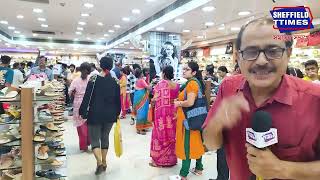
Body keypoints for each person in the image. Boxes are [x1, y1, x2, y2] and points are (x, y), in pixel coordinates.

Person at [203, 17, 320, 180]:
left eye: (273, 51)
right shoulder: (228, 88)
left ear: (289, 53)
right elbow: (210, 144)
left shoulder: (315, 99)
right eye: (251, 52)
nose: (261, 61)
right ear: (238, 56)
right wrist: (216, 124)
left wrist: (282, 169)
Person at [79, 56, 121, 175]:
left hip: (95, 113)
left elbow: (87, 96)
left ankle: (99, 162)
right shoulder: (115, 81)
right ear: (111, 65)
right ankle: (104, 160)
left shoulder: (93, 79)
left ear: (100, 65)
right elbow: (118, 100)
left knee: (94, 139)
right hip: (110, 114)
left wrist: (82, 111)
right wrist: (117, 113)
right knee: (105, 136)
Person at [170, 61, 206, 180]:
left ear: (194, 72)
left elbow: (190, 102)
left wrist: (178, 103)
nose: (184, 71)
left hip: (188, 121)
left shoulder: (191, 84)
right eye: (183, 69)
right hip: (195, 119)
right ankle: (199, 168)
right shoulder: (195, 83)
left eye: (187, 69)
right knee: (196, 142)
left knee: (187, 145)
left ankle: (183, 174)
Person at [150, 65, 179, 167]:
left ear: (164, 73)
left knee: (159, 134)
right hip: (173, 112)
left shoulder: (160, 84)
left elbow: (154, 98)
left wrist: (152, 103)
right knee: (171, 134)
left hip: (161, 113)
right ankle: (171, 160)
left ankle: (159, 160)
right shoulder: (176, 85)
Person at [69, 62, 91, 152]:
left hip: (89, 104)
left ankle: (88, 142)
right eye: (85, 71)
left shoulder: (90, 79)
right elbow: (70, 92)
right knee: (81, 127)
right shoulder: (75, 80)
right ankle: (83, 145)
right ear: (81, 70)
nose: (86, 73)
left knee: (89, 126)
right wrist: (73, 92)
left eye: (88, 72)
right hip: (78, 105)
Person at [133, 68, 152, 135]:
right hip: (142, 98)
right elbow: (148, 87)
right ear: (141, 73)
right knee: (143, 113)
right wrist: (151, 84)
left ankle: (138, 128)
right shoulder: (141, 80)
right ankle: (141, 129)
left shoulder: (137, 80)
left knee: (139, 113)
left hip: (137, 98)